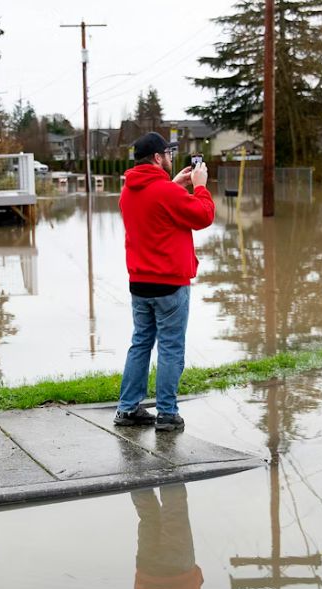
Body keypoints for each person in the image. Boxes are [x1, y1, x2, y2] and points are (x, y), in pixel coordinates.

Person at [113, 132, 215, 432]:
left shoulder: (127, 192)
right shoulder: (167, 193)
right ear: (157, 158)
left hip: (139, 284)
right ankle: (167, 413)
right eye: (168, 155)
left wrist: (174, 185)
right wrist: (199, 187)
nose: (171, 159)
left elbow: (153, 201)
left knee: (141, 344)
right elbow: (203, 216)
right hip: (170, 284)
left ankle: (128, 409)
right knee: (170, 348)